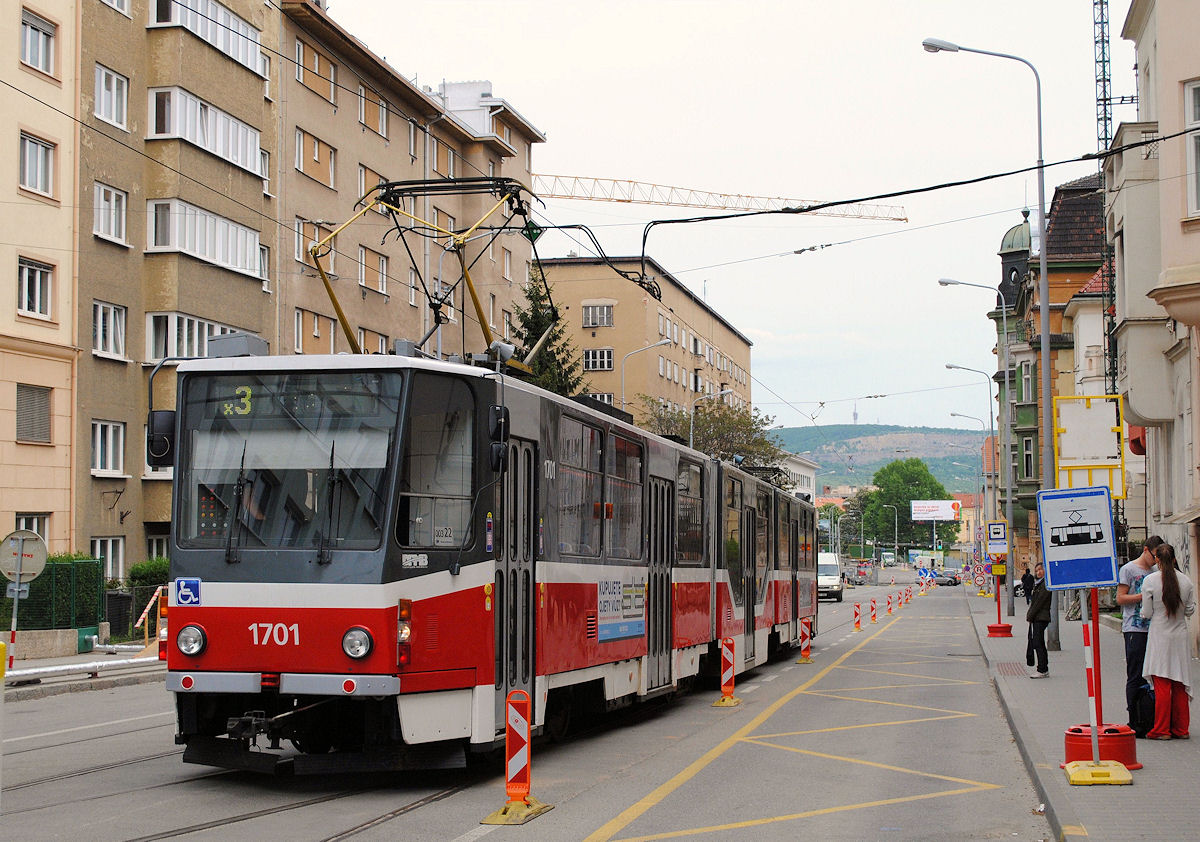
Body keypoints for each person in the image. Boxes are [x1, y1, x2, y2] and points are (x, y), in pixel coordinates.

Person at [1141, 543, 1196, 739]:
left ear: (1157, 559)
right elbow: (1190, 610)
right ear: (1174, 559)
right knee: (1180, 682)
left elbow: (1146, 613)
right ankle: (1181, 729)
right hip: (1180, 635)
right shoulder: (1186, 581)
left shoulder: (1150, 581)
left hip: (1159, 635)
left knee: (1162, 682)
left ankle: (1161, 729)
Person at [1117, 536, 1164, 728]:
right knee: (1135, 674)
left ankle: (1148, 715)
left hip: (1155, 628)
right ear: (1146, 550)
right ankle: (1133, 718)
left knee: (1153, 675)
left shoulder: (1155, 571)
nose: (1156, 561)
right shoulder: (1129, 569)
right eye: (1154, 556)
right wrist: (1142, 596)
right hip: (1134, 628)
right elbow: (1120, 598)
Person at [1026, 561, 1051, 678]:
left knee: (1038, 643)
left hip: (1041, 617)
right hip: (1038, 617)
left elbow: (1038, 603)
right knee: (1039, 643)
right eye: (1036, 570)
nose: (1038, 572)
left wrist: (1030, 615)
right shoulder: (1038, 584)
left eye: (1040, 569)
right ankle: (1043, 668)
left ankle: (1042, 669)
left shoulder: (1045, 585)